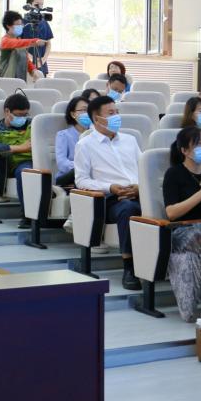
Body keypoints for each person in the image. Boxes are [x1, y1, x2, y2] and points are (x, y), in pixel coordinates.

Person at [74, 95, 144, 290]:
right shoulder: (85, 145)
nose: (116, 117)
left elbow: (144, 169)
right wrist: (110, 187)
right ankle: (129, 267)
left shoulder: (130, 140)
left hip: (138, 193)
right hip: (110, 199)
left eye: (117, 112)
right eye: (111, 113)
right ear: (97, 119)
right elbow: (81, 180)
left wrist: (139, 187)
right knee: (128, 209)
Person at [162, 126, 201, 322]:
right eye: (198, 144)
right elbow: (171, 213)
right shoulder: (174, 174)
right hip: (183, 232)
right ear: (184, 151)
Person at [0, 92, 33, 227]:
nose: (22, 118)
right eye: (18, 115)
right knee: (26, 171)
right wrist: (20, 148)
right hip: (16, 165)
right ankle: (27, 216)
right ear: (7, 111)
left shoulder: (33, 125)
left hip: (39, 160)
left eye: (25, 115)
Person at [0, 10, 45, 80]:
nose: (20, 27)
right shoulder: (5, 41)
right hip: (5, 80)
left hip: (19, 80)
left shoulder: (19, 41)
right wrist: (35, 41)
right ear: (8, 26)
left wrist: (33, 71)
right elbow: (17, 43)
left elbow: (26, 60)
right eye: (17, 25)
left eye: (21, 24)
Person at [55, 96, 90, 187]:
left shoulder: (95, 134)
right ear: (73, 114)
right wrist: (82, 166)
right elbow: (62, 163)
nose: (87, 113)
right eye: (83, 110)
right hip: (69, 176)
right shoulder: (63, 135)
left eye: (89, 110)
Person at [21, 0, 54, 76]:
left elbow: (48, 43)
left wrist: (43, 59)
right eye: (36, 5)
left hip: (41, 65)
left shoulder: (44, 22)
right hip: (24, 64)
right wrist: (30, 57)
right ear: (29, 5)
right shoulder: (21, 22)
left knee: (42, 84)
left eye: (41, 5)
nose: (40, 7)